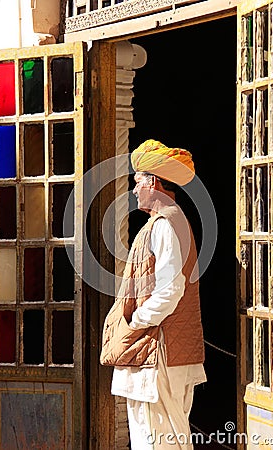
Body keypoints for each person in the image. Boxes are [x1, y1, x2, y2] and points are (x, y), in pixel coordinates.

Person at [100, 139, 206, 449]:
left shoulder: (164, 225)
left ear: (154, 182)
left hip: (158, 354)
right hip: (165, 354)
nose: (134, 191)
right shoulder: (170, 221)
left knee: (155, 442)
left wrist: (134, 324)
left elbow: (170, 291)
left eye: (137, 182)